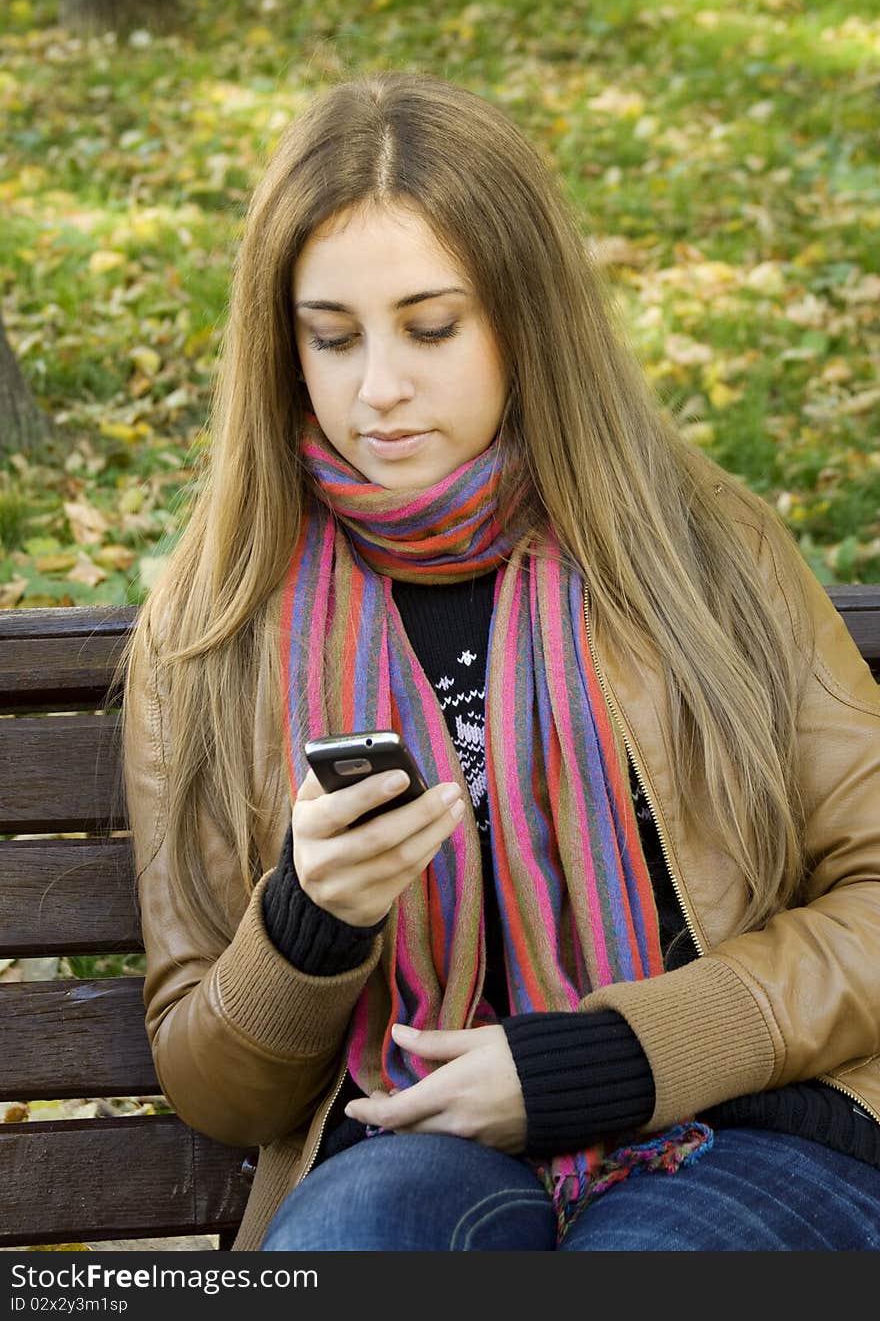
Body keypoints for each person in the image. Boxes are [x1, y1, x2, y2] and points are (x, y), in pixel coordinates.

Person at [121, 69, 880, 1252]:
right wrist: (307, 924)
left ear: (526, 316)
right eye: (331, 337)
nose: (377, 389)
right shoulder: (213, 626)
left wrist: (622, 1054)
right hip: (401, 1147)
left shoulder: (703, 551)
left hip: (734, 1125)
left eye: (431, 327)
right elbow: (217, 1085)